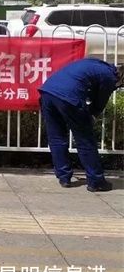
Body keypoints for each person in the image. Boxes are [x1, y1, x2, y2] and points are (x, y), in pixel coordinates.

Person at [39, 58, 124, 192]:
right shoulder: (109, 77)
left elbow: (86, 86)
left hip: (48, 92)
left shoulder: (100, 66)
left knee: (56, 137)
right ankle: (96, 181)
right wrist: (92, 115)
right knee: (85, 140)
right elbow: (99, 101)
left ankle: (64, 177)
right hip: (68, 96)